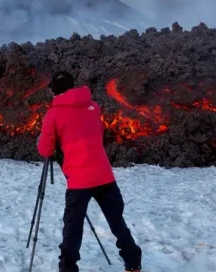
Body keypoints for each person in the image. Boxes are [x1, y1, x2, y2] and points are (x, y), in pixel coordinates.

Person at [36, 71, 142, 272]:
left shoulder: (53, 114)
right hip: (104, 175)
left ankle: (68, 268)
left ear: (53, 90)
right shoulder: (94, 107)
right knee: (117, 222)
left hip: (79, 180)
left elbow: (46, 149)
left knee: (72, 229)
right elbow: (98, 134)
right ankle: (133, 263)